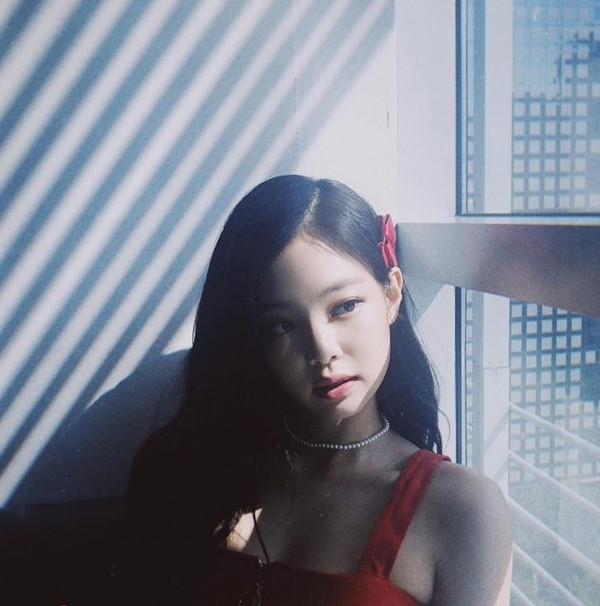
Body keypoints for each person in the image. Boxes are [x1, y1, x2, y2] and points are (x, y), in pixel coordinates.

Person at [126, 175, 512, 605]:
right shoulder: (191, 470)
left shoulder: (461, 508)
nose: (322, 351)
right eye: (282, 325)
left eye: (344, 306)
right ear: (252, 337)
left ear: (391, 294)